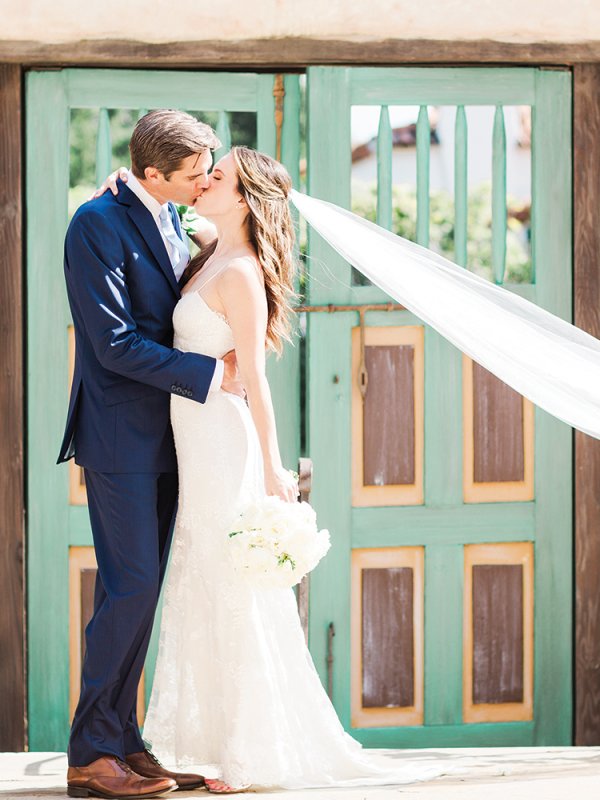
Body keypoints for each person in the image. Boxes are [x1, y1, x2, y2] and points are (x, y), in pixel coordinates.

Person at [100, 146, 442, 793]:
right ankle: (209, 743)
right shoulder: (208, 251)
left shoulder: (242, 273)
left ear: (244, 195)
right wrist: (124, 188)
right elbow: (165, 220)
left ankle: (248, 752)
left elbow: (255, 378)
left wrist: (273, 471)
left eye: (217, 176)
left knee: (231, 586)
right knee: (202, 580)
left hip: (224, 443)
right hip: (193, 440)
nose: (203, 182)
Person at [58, 110, 245, 799]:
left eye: (206, 172)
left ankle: (124, 739)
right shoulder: (94, 225)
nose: (203, 184)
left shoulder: (173, 214)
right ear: (151, 173)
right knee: (131, 586)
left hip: (176, 436)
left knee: (137, 590)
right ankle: (90, 753)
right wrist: (209, 375)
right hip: (119, 436)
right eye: (193, 175)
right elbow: (109, 342)